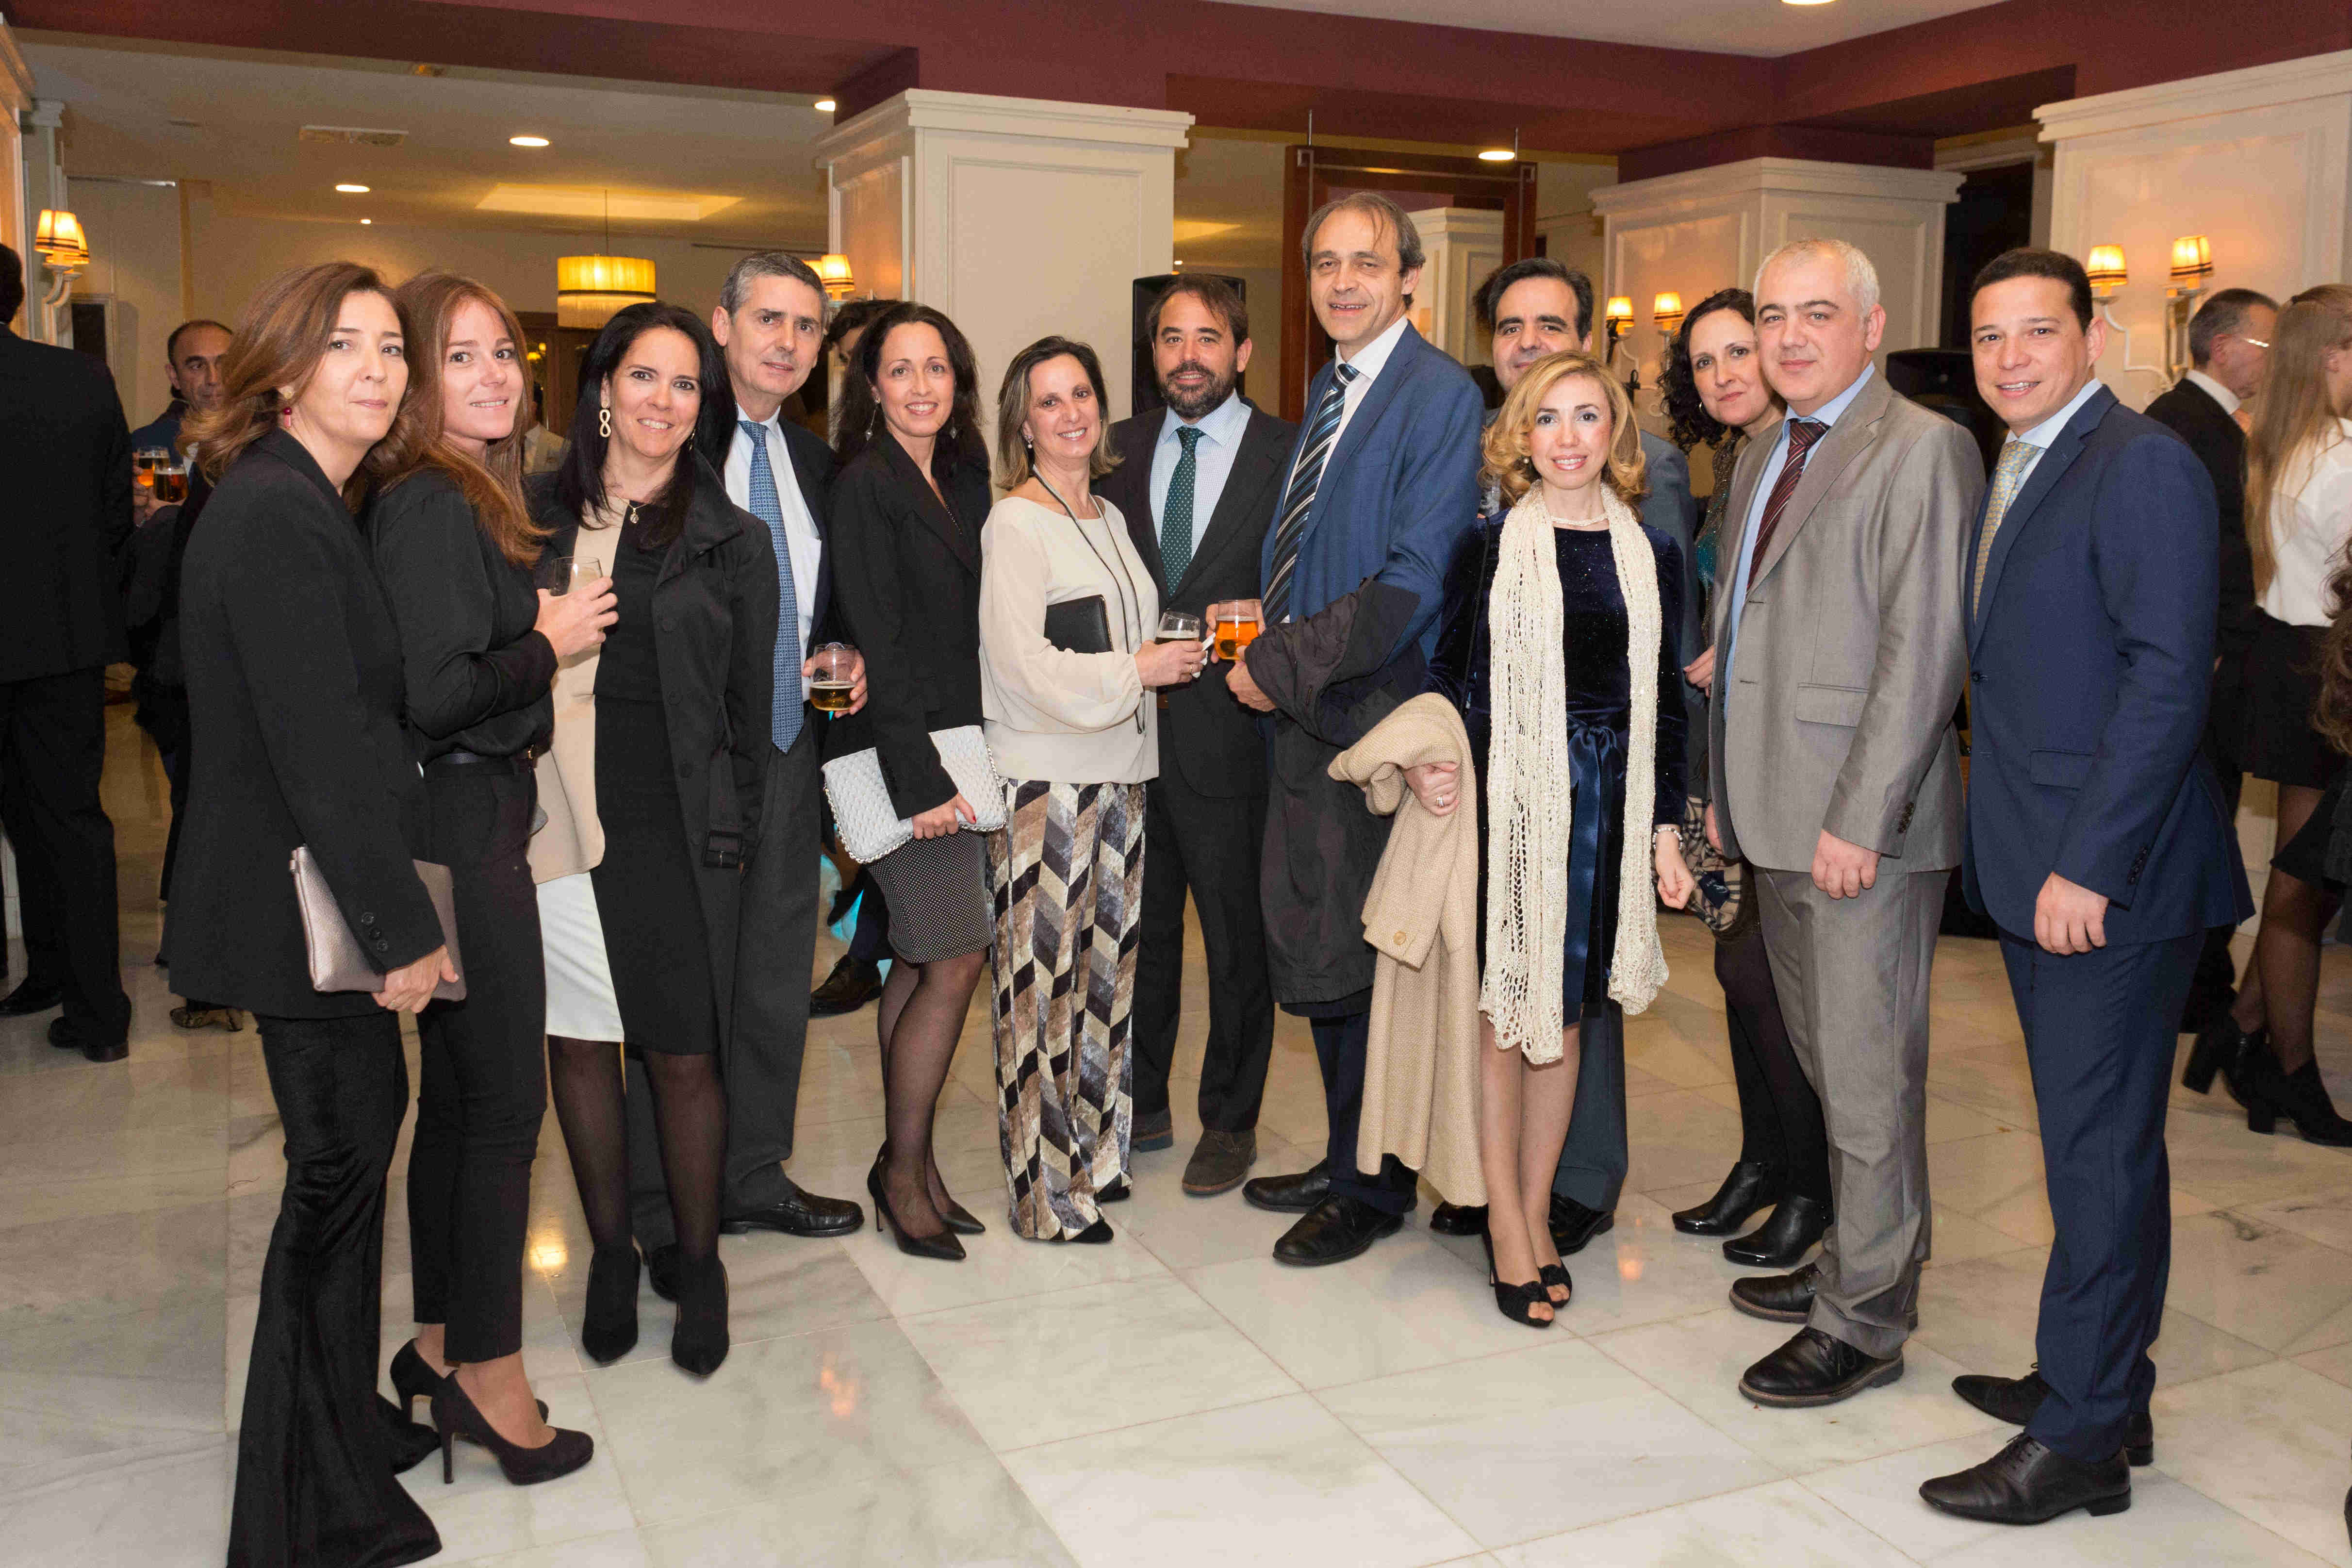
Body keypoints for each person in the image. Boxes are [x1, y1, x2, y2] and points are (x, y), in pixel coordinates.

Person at [1917, 248, 2249, 1525]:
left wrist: (2085, 864)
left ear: (2092, 336)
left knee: (2095, 1154)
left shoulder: (2138, 462)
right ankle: (2101, 1383)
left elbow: (2166, 681)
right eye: (1987, 335)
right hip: (2036, 854)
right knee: (2098, 1144)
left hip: (2104, 877)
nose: (2007, 357)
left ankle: (2076, 1441)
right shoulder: (2024, 455)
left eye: (2034, 332)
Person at [170, 261, 448, 1568]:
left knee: (352, 1152)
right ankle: (302, 1509)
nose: (377, 369)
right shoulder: (280, 510)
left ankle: (342, 1429)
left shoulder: (299, 495)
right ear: (284, 367)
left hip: (297, 885)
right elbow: (321, 750)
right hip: (297, 900)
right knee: (334, 1176)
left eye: (390, 347)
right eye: (345, 345)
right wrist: (404, 933)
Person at [1706, 237, 1981, 1408]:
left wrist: (1860, 818)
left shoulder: (1922, 447)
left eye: (1815, 313)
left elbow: (1924, 653)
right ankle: (1861, 1257)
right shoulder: (1765, 448)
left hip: (1855, 828)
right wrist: (1719, 791)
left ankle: (1863, 1320)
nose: (1787, 337)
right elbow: (1743, 629)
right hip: (1770, 810)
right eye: (1772, 315)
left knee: (1868, 1083)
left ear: (1870, 326)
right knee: (1829, 1069)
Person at [365, 271, 599, 1482]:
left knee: (460, 1103)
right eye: (460, 357)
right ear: (415, 378)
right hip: (463, 815)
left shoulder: (461, 493)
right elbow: (439, 689)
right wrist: (546, 645)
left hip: (466, 810)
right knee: (506, 1106)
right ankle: (490, 1380)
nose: (495, 375)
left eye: (503, 352)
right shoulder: (428, 502)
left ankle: (439, 1341)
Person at [1424, 254, 1700, 1255]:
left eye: (1586, 416)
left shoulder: (1649, 553)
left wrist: (1663, 830)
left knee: (1570, 1021)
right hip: (1511, 812)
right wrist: (1433, 761)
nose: (1568, 437)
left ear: (1613, 432)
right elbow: (1448, 679)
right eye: (1546, 419)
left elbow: (1662, 704)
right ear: (1519, 436)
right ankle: (1505, 1223)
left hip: (1608, 818)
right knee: (1508, 1020)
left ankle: (1537, 1210)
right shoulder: (1488, 547)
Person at [1227, 192, 1483, 1266]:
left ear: (1409, 278)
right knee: (1324, 949)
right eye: (1325, 263)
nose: (1342, 282)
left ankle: (1371, 1189)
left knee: (1364, 960)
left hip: (1368, 717)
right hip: (1312, 715)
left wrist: (1275, 665)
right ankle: (1348, 1153)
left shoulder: (1436, 393)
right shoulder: (1330, 389)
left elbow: (1413, 581)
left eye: (1366, 263)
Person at [529, 301, 773, 1376]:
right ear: (602, 389)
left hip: (674, 825)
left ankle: (701, 1263)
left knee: (681, 1052)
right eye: (644, 377)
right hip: (554, 819)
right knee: (582, 1042)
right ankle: (610, 1254)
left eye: (684, 385)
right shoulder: (532, 519)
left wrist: (738, 833)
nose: (663, 402)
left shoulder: (733, 540)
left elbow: (747, 716)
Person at [617, 252, 868, 1294]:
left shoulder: (813, 459)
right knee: (679, 984)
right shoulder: (673, 432)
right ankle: (657, 1205)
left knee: (771, 974)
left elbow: (824, 599)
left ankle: (753, 1173)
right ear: (720, 326)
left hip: (786, 746)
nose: (786, 342)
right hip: (683, 762)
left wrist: (845, 653)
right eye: (768, 319)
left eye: (806, 327)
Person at [980, 335, 1203, 1240]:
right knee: (1040, 993)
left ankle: (1095, 1158)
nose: (1070, 413)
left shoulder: (1108, 515)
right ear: (1022, 425)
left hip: (1123, 779)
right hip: (1047, 786)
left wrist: (1157, 663)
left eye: (1080, 394)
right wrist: (1136, 670)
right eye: (1049, 401)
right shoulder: (1014, 522)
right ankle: (1043, 1194)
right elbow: (1019, 663)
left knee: (1106, 986)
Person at [1098, 275, 1296, 1196]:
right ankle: (1142, 1101)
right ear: (1153, 354)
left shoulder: (1288, 452)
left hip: (1233, 734)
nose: (1188, 356)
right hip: (1125, 735)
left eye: (1208, 338)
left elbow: (1317, 574)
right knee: (1139, 938)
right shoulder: (1112, 447)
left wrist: (1273, 616)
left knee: (1234, 942)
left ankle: (1230, 1117)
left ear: (1241, 352)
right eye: (1171, 338)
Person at [1652, 289, 1831, 1270]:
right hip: (1720, 752)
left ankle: (1810, 1183)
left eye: (1737, 351)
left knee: (1767, 978)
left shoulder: (1818, 458)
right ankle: (1764, 1161)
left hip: (1790, 760)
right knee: (1737, 971)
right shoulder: (1736, 461)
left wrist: (1747, 646)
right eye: (1704, 360)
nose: (1723, 374)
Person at [826, 301, 998, 1260]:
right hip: (898, 755)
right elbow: (877, 639)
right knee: (954, 955)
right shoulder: (865, 485)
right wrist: (919, 781)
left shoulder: (967, 480)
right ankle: (901, 1176)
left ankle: (913, 1165)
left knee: (921, 957)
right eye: (900, 369)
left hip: (958, 746)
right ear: (873, 386)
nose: (921, 386)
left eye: (937, 367)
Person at [2209, 285, 2352, 1144]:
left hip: (2286, 664)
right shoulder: (2339, 454)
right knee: (2303, 886)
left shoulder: (2281, 442)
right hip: (2323, 676)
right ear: (2333, 354)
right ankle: (2286, 1071)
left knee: (2303, 875)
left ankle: (2241, 1031)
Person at [0, 242, 135, 1061]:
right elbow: (117, 513)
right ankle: (96, 1012)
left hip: (50, 636)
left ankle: (43, 974)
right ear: (18, 298)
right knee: (70, 824)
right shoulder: (81, 379)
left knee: (30, 823)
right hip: (64, 639)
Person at [2155, 288, 2277, 1046]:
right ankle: (2193, 990)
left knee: (2205, 825)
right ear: (2223, 346)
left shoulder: (2213, 424)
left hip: (2217, 664)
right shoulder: (2182, 426)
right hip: (2201, 670)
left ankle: (2201, 986)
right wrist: (2219, 647)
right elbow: (2196, 560)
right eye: (2266, 346)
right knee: (2197, 828)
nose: (2273, 362)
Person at [810, 295, 904, 1018]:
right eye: (846, 361)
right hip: (845, 676)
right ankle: (864, 937)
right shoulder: (843, 458)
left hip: (902, 690)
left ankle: (866, 952)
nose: (857, 372)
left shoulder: (938, 466)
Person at [129, 317, 232, 455]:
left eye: (225, 364)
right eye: (197, 367)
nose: (213, 379)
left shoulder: (261, 439)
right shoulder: (145, 446)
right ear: (174, 377)